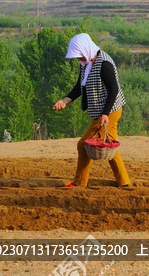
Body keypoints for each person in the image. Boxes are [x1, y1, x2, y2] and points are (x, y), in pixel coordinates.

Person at [52, 33, 132, 188]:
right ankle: (124, 182)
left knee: (83, 145)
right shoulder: (87, 63)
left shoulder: (104, 64)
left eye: (79, 56)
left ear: (85, 49)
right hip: (107, 112)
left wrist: (105, 114)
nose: (78, 59)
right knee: (109, 146)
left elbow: (114, 89)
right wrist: (64, 101)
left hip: (109, 111)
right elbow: (79, 87)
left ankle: (79, 182)